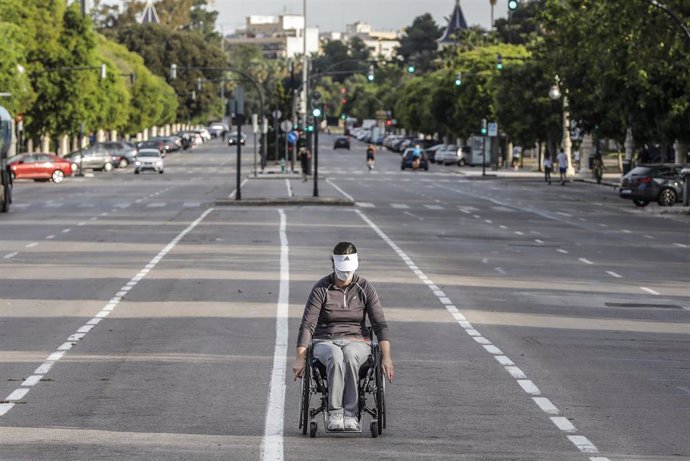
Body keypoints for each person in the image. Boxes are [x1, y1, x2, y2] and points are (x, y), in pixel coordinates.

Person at [293, 242, 394, 432]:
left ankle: (351, 414)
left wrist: (387, 357)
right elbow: (307, 325)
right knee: (335, 356)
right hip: (325, 341)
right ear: (333, 264)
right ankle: (335, 413)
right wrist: (300, 358)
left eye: (349, 271)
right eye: (342, 271)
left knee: (349, 354)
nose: (345, 276)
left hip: (357, 341)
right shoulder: (321, 288)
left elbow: (380, 325)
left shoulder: (365, 288)